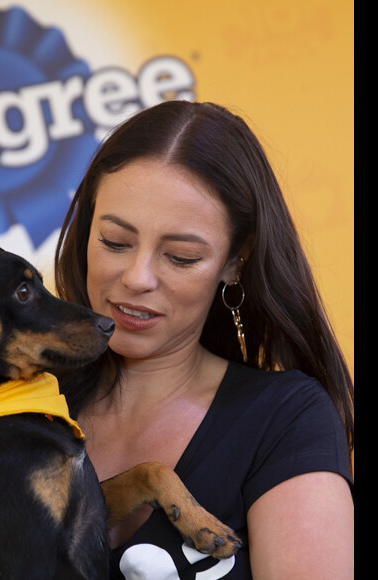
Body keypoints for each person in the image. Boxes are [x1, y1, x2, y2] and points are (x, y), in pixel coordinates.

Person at [54, 100, 353, 579]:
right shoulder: (12, 406)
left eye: (181, 256)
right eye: (114, 241)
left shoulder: (285, 419)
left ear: (236, 261)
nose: (137, 277)